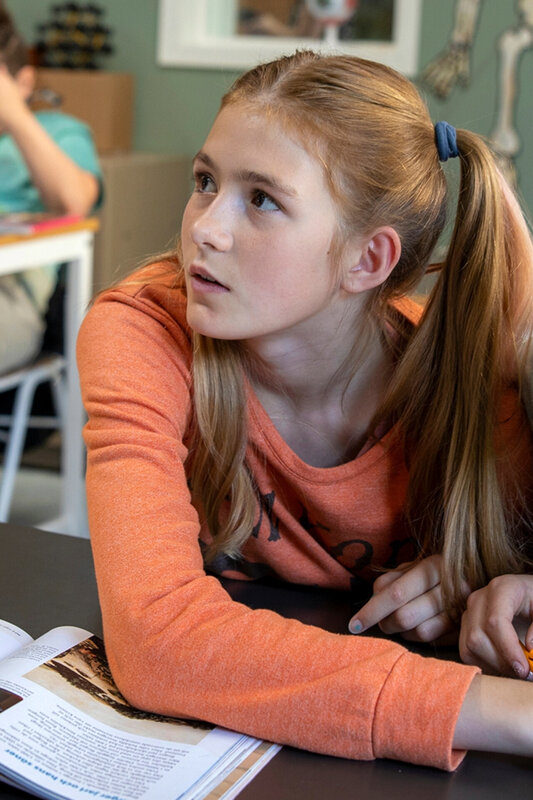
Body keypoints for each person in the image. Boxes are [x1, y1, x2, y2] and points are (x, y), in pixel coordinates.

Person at [77, 50, 533, 769]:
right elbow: (156, 640)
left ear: (367, 260)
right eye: (206, 182)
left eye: (261, 199)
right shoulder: (144, 329)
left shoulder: (480, 392)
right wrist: (504, 713)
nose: (204, 229)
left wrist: (509, 587)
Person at [0, 4, 102, 374]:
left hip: (11, 292)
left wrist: (13, 112)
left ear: (23, 82)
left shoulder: (59, 131)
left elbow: (76, 203)